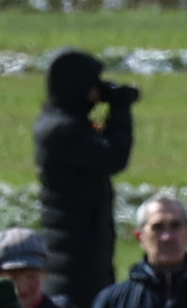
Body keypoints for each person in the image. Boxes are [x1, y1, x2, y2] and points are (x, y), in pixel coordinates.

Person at [31, 49, 136, 293]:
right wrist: (120, 109)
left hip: (80, 247)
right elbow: (113, 157)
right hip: (75, 259)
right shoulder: (62, 130)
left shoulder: (60, 122)